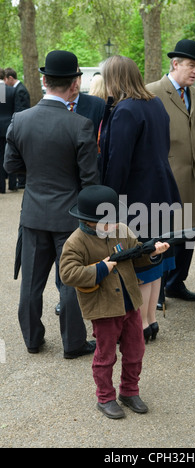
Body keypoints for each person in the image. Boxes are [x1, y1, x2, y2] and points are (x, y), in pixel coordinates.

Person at [4, 50, 99, 357]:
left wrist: (37, 172)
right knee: (70, 281)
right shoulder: (80, 125)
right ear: (75, 84)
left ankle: (32, 339)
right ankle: (73, 343)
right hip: (69, 216)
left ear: (44, 81)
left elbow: (10, 165)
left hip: (33, 212)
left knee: (30, 282)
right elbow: (90, 181)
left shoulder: (20, 119)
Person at [59, 185, 170, 419]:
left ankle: (129, 391)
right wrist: (100, 269)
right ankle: (105, 397)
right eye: (105, 222)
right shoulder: (76, 242)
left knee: (135, 350)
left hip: (130, 302)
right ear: (88, 221)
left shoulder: (122, 231)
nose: (112, 225)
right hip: (104, 308)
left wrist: (152, 253)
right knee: (105, 355)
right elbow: (67, 273)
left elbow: (137, 258)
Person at [99, 55, 181, 342]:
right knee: (154, 256)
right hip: (162, 190)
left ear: (114, 78)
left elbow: (117, 161)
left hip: (137, 197)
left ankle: (142, 325)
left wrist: (107, 202)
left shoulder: (125, 110)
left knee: (140, 261)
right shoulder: (155, 103)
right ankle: (151, 319)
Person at [146, 39, 195, 306]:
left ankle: (177, 283)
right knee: (166, 236)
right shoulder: (152, 92)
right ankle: (158, 290)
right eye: (191, 66)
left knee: (192, 233)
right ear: (175, 64)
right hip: (168, 177)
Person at [54, 67, 105, 316]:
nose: (74, 83)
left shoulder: (96, 105)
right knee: (64, 251)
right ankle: (65, 299)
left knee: (90, 246)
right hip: (59, 190)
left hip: (88, 189)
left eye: (77, 79)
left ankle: (91, 293)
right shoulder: (50, 107)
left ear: (79, 81)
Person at [4, 67, 31, 189]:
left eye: (6, 79)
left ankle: (21, 181)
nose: (5, 82)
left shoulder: (19, 90)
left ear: (10, 78)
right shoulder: (16, 90)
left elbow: (21, 109)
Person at [66, 68, 105, 141]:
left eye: (77, 77)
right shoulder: (51, 107)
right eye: (70, 77)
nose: (75, 82)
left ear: (80, 79)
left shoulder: (98, 105)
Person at [0, 68, 17, 193]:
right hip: (9, 126)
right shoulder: (11, 90)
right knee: (11, 154)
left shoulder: (2, 90)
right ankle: (12, 183)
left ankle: (1, 186)